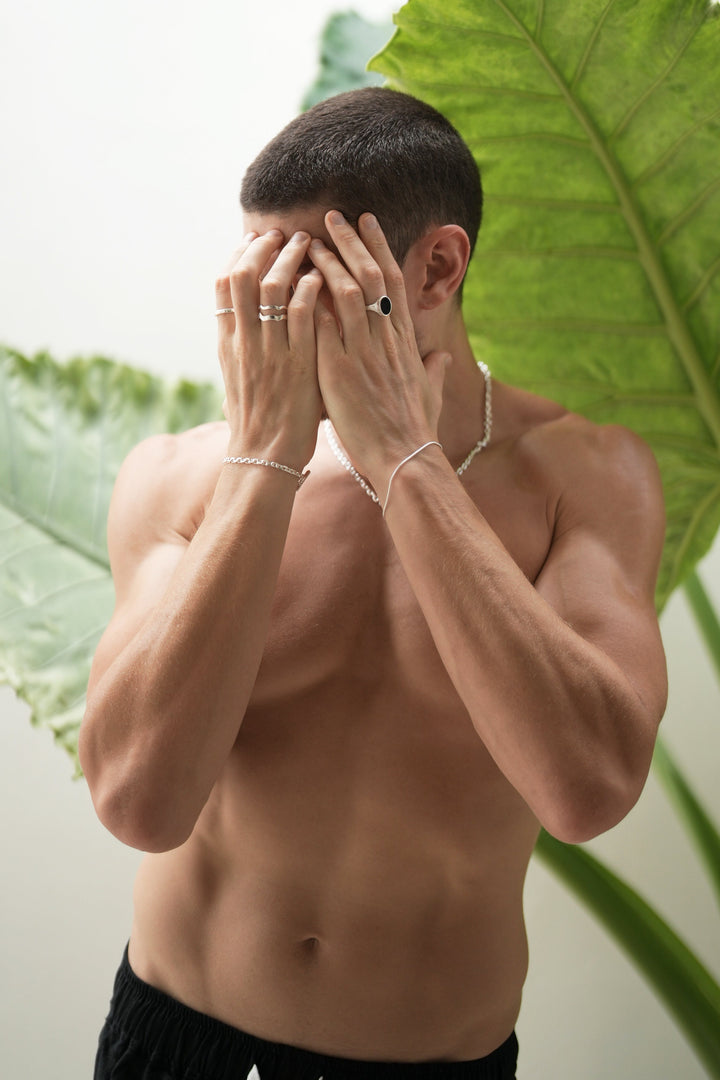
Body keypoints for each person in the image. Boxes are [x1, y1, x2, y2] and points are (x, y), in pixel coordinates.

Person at [80, 87, 668, 1080]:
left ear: (435, 268)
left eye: (308, 280)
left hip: (429, 1059)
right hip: (176, 1035)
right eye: (256, 279)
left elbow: (588, 790)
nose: (275, 316)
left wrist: (407, 457)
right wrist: (263, 459)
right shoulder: (181, 475)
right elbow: (141, 804)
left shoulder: (585, 477)